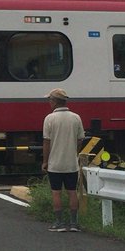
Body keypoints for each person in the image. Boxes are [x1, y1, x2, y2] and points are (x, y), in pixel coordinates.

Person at [41, 87, 85, 233]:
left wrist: (45, 161)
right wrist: (74, 152)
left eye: (50, 99)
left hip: (55, 164)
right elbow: (80, 139)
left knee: (56, 192)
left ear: (54, 102)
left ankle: (59, 223)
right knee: (72, 192)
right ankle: (73, 223)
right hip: (71, 163)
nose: (49, 102)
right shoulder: (76, 117)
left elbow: (46, 142)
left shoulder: (49, 119)